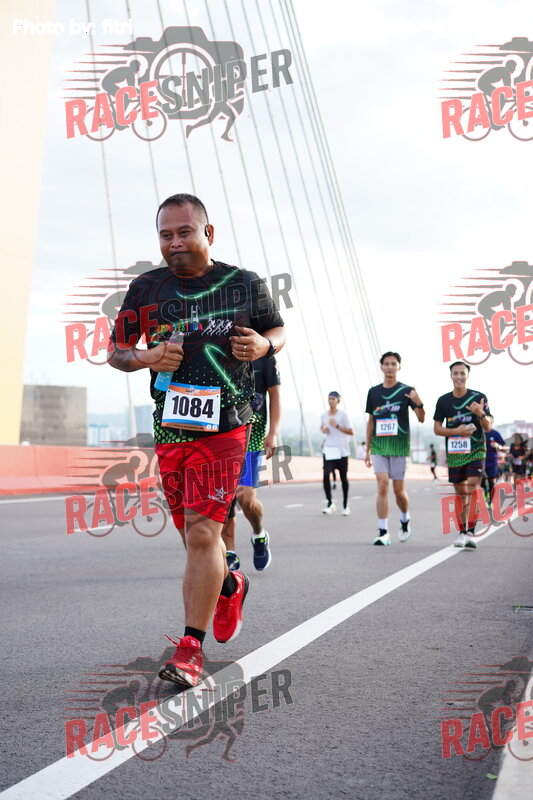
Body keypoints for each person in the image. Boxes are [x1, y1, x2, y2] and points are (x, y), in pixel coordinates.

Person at [108, 193, 285, 687]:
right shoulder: (146, 288)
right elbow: (117, 351)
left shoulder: (243, 282)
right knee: (191, 538)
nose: (174, 243)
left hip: (227, 425)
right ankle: (229, 585)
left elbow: (277, 329)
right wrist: (145, 358)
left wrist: (265, 344)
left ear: (208, 233)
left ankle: (190, 649)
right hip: (171, 426)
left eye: (184, 232)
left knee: (206, 534)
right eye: (165, 235)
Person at [221, 355, 281, 572]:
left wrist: (273, 433)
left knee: (246, 499)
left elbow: (275, 394)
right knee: (224, 499)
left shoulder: (265, 357)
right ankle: (230, 552)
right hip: (223, 435)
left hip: (252, 436)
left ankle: (259, 535)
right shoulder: (219, 350)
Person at [365, 352, 425, 544]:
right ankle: (383, 532)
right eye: (387, 363)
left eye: (393, 363)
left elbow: (421, 418)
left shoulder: (407, 391)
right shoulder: (373, 392)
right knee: (382, 484)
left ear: (399, 367)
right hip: (379, 445)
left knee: (399, 491)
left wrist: (418, 402)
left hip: (399, 446)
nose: (390, 367)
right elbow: (371, 421)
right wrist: (367, 449)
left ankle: (405, 518)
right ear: (381, 367)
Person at [433, 361, 492, 549]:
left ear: (467, 375)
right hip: (455, 451)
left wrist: (480, 413)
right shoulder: (443, 401)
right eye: (456, 373)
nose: (459, 377)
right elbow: (437, 429)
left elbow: (488, 426)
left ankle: (471, 532)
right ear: (451, 375)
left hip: (476, 449)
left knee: (474, 486)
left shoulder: (478, 397)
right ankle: (461, 532)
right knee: (459, 492)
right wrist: (456, 431)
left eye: (462, 373)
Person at [320, 392, 353, 515]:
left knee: (343, 478)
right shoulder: (324, 415)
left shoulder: (343, 415)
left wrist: (337, 426)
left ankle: (345, 505)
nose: (331, 401)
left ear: (338, 400)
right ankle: (330, 503)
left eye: (333, 399)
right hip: (329, 450)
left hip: (342, 451)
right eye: (329, 398)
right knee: (325, 476)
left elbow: (351, 431)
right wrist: (324, 429)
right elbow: (322, 428)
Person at [484, 427, 506, 504]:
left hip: (492, 462)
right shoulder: (480, 432)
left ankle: (491, 500)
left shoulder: (495, 433)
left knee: (491, 481)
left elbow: (503, 446)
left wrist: (497, 445)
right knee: (481, 481)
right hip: (481, 461)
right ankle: (485, 494)